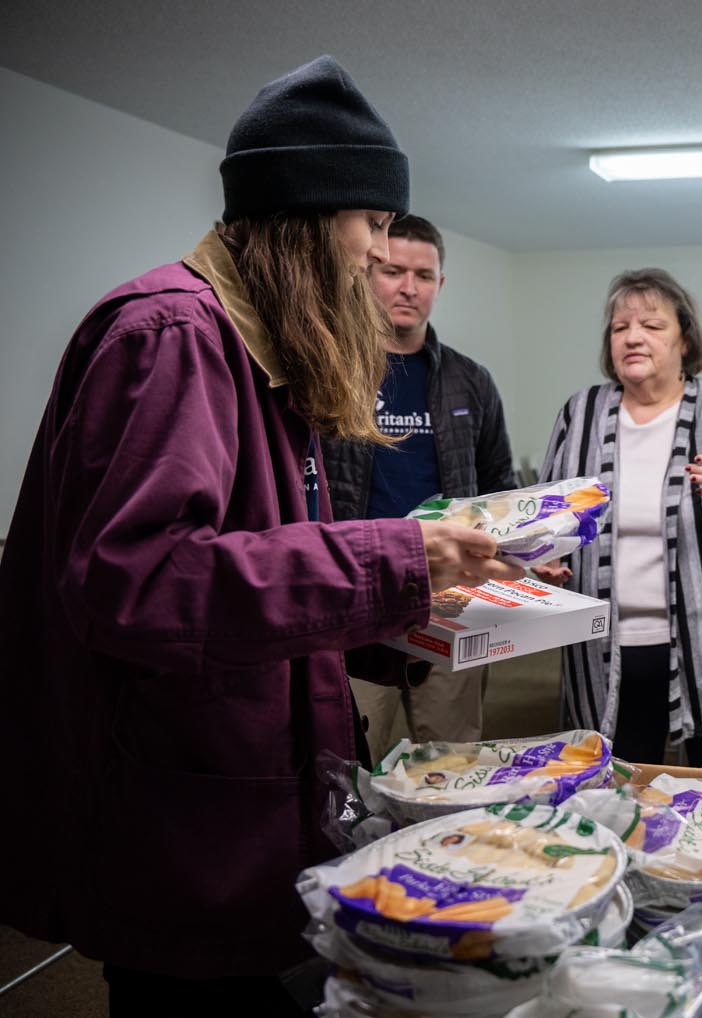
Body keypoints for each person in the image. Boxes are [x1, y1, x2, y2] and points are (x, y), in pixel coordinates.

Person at [0, 56, 519, 1016]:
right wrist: (394, 556)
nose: (377, 257)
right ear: (310, 222)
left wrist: (416, 601)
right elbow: (141, 584)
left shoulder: (258, 351)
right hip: (186, 814)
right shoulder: (172, 336)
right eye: (369, 228)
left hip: (253, 794)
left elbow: (260, 577)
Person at [535, 269, 702, 770]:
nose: (633, 336)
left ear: (686, 340)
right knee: (617, 800)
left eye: (652, 325)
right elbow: (547, 522)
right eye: (620, 328)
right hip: (604, 657)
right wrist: (543, 559)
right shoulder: (581, 412)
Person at [325, 213, 517, 757]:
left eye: (424, 275)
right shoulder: (331, 369)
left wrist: (525, 545)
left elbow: (498, 486)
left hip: (450, 603)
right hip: (358, 606)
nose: (409, 288)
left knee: (454, 762)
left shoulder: (468, 379)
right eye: (392, 270)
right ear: (367, 272)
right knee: (349, 765)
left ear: (439, 284)